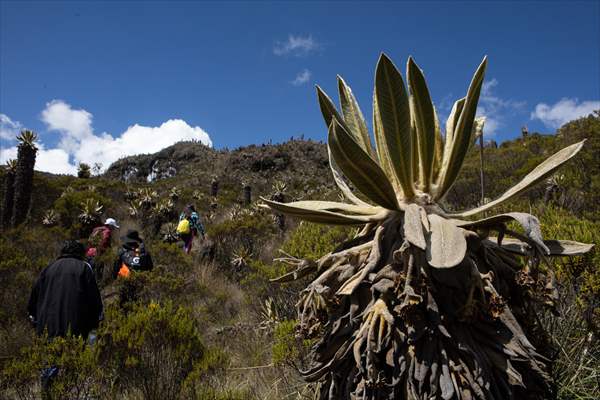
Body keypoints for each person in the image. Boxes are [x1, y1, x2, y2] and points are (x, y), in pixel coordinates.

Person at [27, 240, 103, 396]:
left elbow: (33, 299)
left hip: (47, 326)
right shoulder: (84, 268)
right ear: (80, 253)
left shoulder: (48, 269)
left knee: (49, 364)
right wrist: (95, 323)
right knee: (73, 365)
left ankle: (47, 394)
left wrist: (35, 320)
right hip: (75, 326)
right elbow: (95, 300)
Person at [113, 230, 154, 307]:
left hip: (125, 286)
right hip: (143, 288)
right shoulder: (144, 253)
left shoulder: (121, 252)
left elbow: (115, 272)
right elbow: (151, 269)